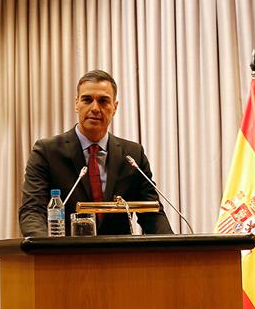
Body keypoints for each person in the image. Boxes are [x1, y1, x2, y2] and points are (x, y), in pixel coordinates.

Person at [19, 69, 173, 237]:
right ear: (76, 103)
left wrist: (173, 251)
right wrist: (46, 251)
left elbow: (152, 213)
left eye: (103, 101)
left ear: (115, 107)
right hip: (64, 257)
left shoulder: (133, 155)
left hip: (120, 258)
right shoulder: (47, 152)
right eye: (87, 100)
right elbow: (32, 211)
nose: (95, 108)